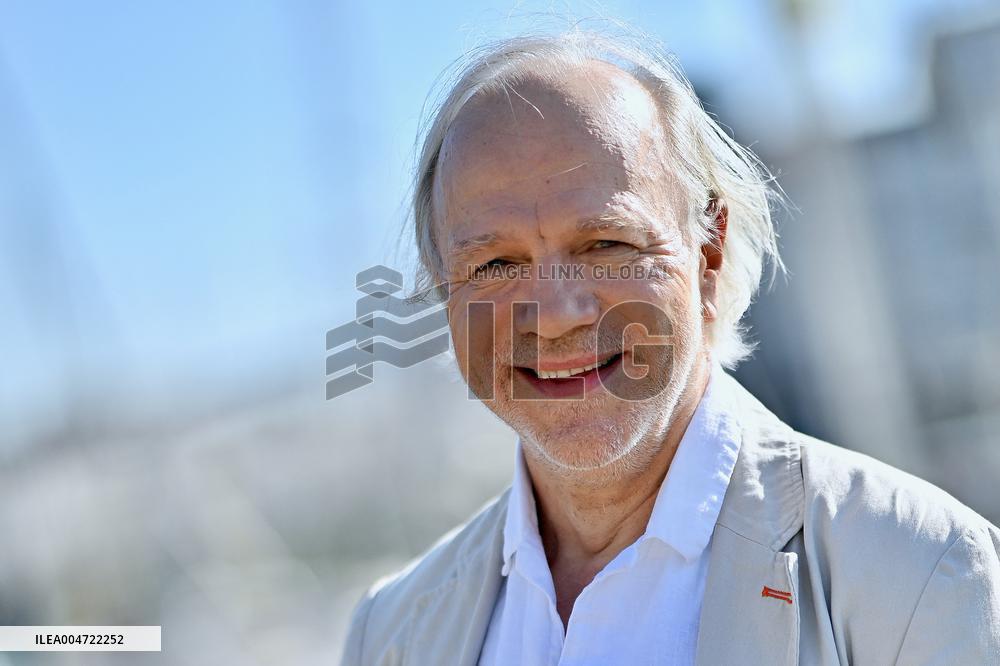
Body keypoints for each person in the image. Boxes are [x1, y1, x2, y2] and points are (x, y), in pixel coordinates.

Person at [340, 28, 1000, 665]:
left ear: (707, 254)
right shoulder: (393, 632)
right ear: (444, 294)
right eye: (495, 265)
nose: (555, 317)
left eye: (606, 245)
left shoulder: (918, 572)